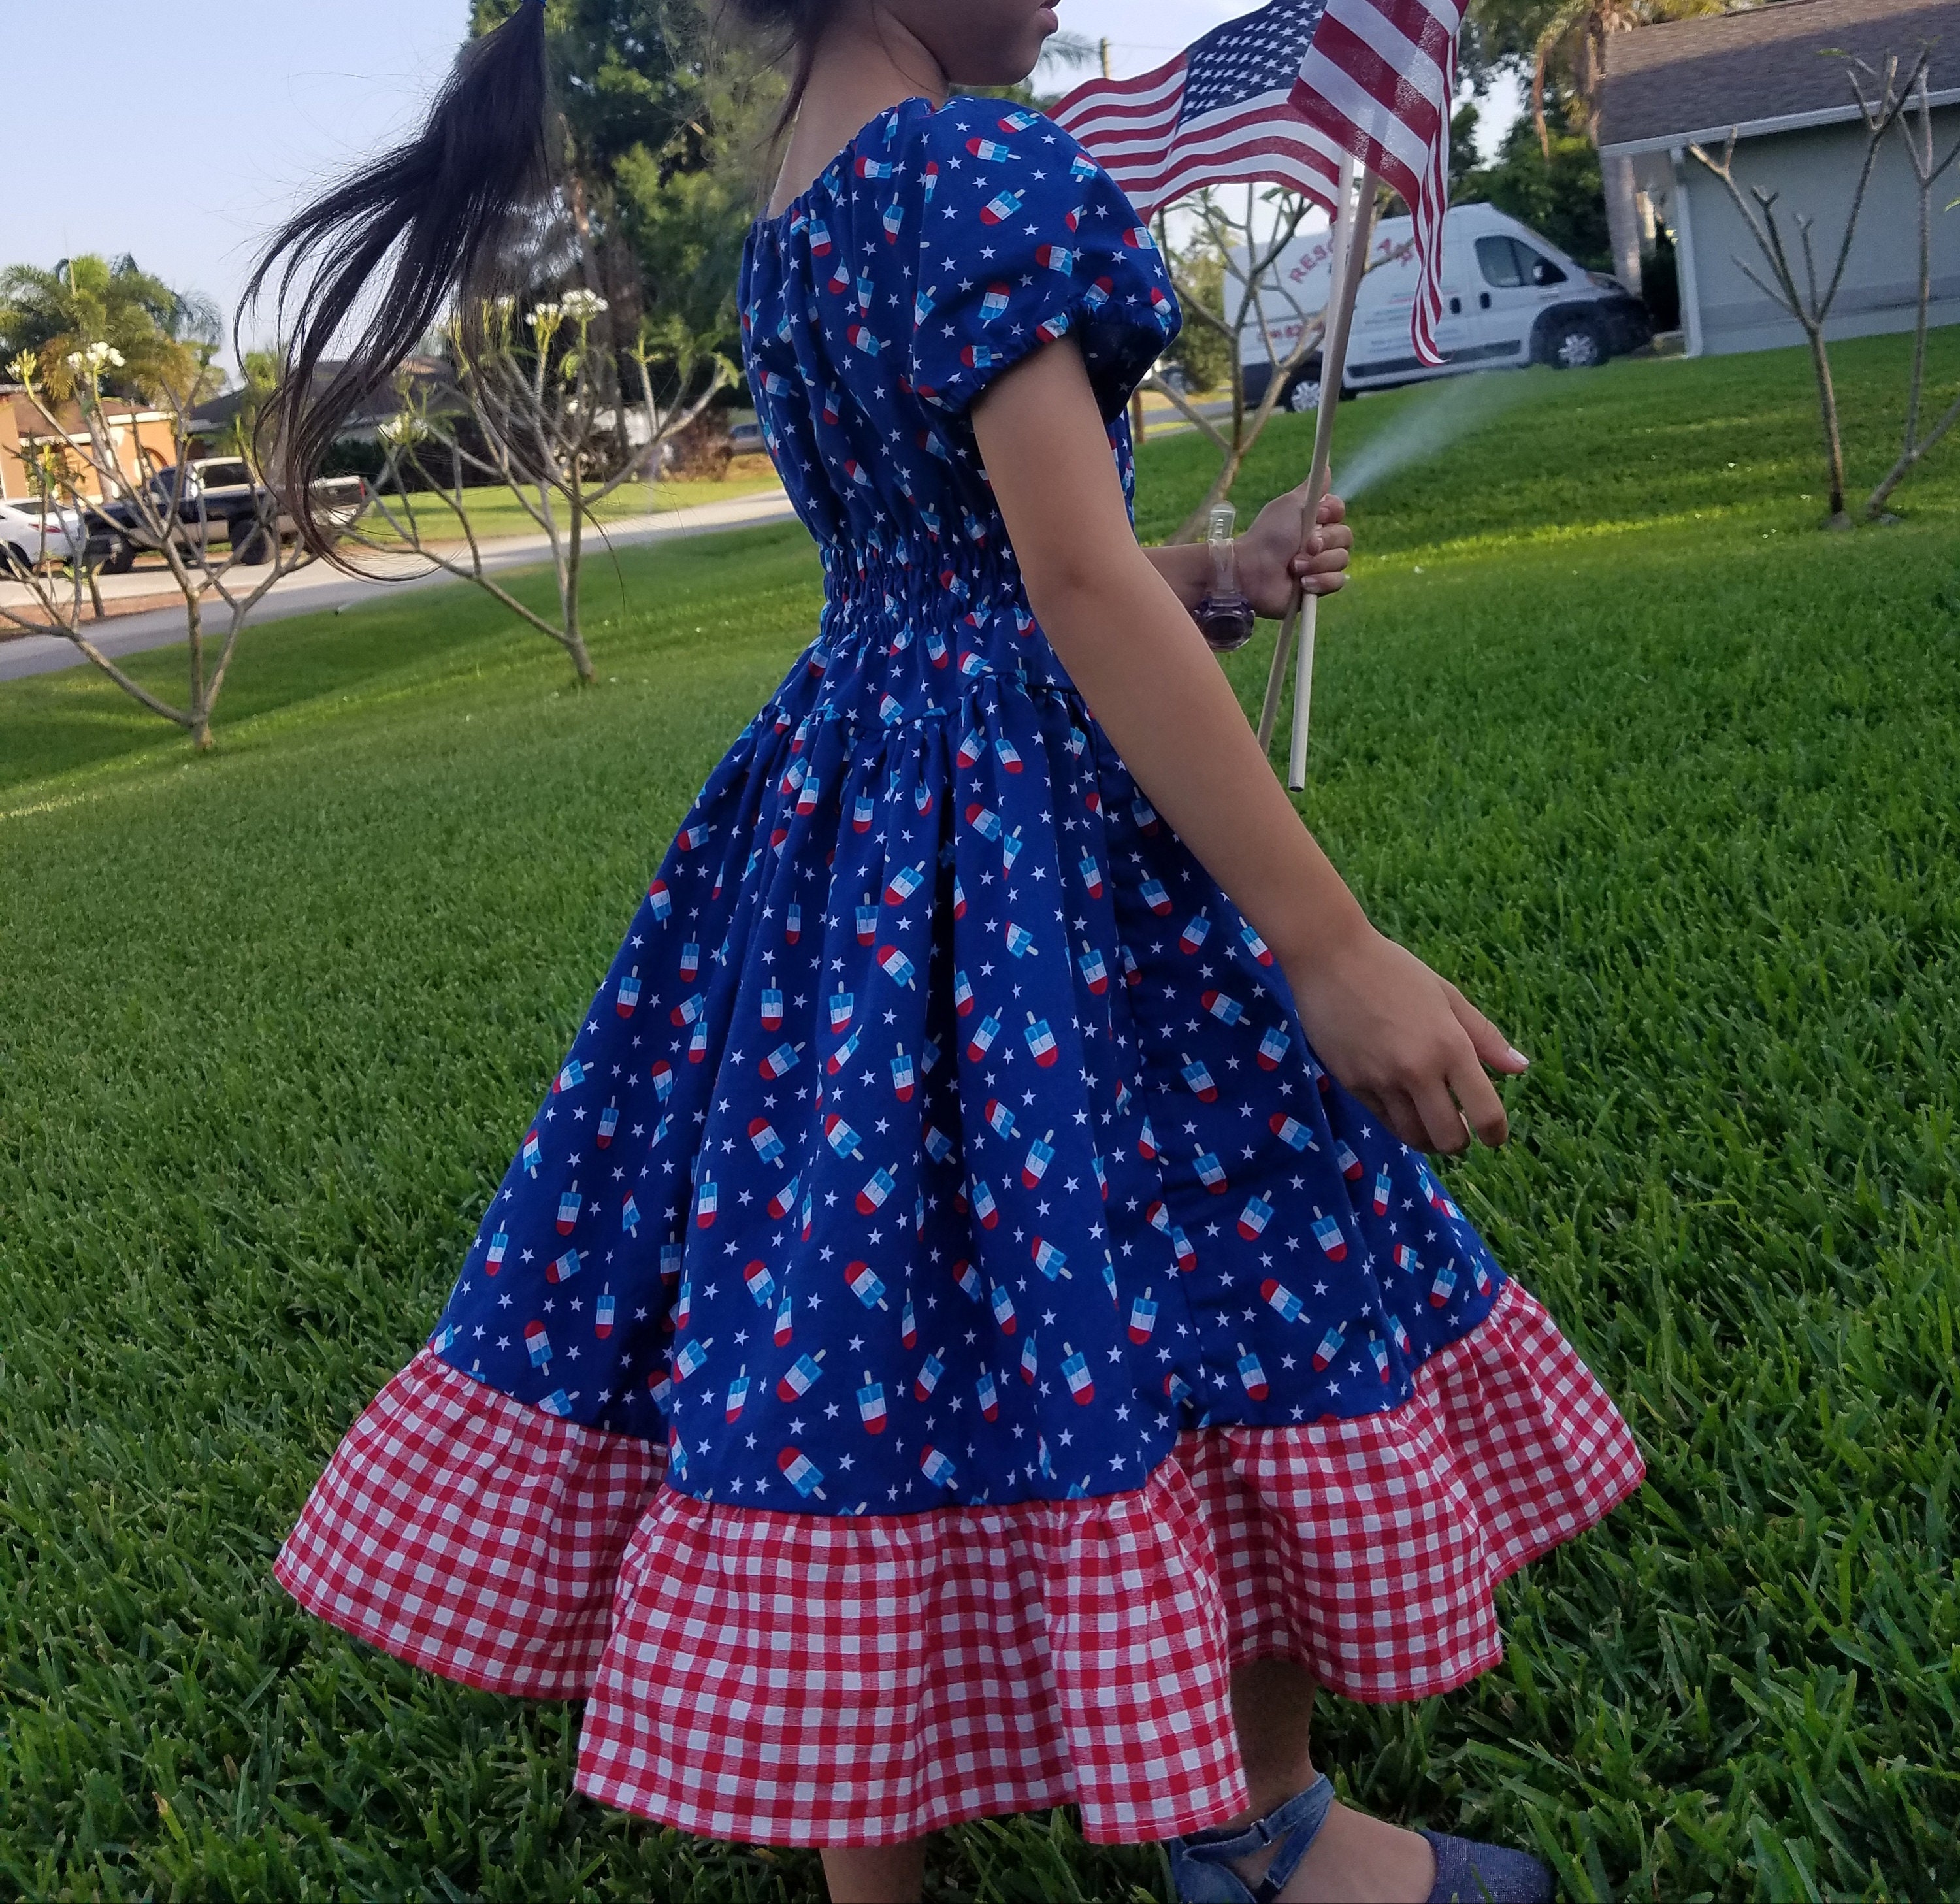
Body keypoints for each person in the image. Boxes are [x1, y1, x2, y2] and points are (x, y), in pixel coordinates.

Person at [254, 3, 1646, 1899]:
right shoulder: (981, 171)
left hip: (852, 821)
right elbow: (1065, 581)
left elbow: (964, 566)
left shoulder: (799, 214)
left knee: (846, 1301)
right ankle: (1267, 1840)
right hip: (1035, 855)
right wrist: (1326, 940)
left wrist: (1219, 579)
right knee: (1221, 1242)